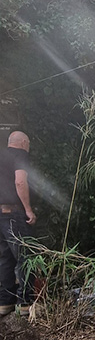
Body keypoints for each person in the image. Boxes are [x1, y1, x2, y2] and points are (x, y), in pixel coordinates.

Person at [0, 131, 36, 317]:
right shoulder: (20, 155)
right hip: (13, 213)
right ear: (23, 142)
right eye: (28, 143)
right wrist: (28, 209)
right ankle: (25, 302)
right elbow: (20, 182)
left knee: (5, 258)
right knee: (25, 256)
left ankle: (4, 303)